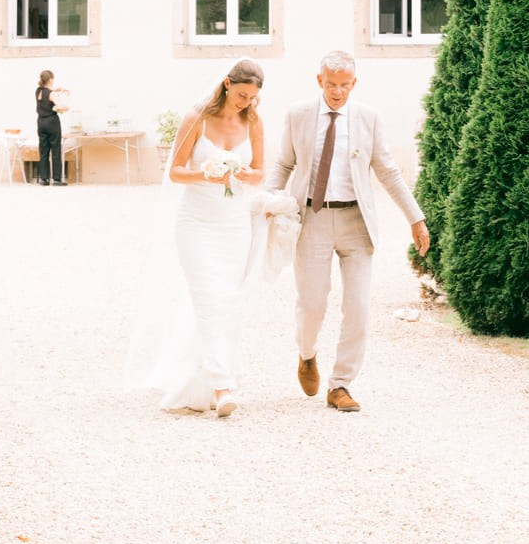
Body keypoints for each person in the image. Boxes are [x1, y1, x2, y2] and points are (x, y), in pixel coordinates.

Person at [271, 49, 427, 413]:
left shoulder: (369, 118)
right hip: (313, 218)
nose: (337, 92)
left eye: (344, 85)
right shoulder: (297, 115)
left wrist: (415, 218)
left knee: (357, 306)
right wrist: (269, 203)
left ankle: (341, 384)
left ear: (354, 83)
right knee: (312, 303)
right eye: (330, 84)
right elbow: (283, 164)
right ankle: (307, 355)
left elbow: (388, 171)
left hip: (357, 222)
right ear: (319, 81)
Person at [129, 59, 273, 416]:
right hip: (195, 223)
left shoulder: (253, 121)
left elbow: (259, 173)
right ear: (226, 85)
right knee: (207, 297)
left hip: (234, 223)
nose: (246, 103)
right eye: (241, 95)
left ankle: (203, 381)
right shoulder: (197, 118)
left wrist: (238, 170)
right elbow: (176, 171)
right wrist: (207, 174)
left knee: (226, 301)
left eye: (252, 97)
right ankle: (224, 386)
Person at [33, 70, 70, 185]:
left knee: (43, 150)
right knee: (55, 150)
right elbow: (61, 106)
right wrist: (64, 108)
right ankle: (57, 179)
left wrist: (60, 89)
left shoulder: (38, 91)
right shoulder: (52, 94)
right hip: (52, 122)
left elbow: (48, 91)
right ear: (50, 80)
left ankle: (44, 179)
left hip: (41, 122)